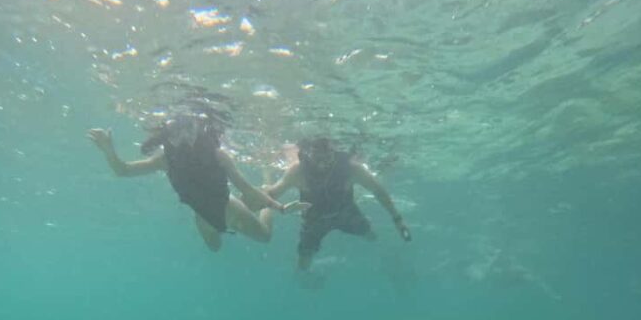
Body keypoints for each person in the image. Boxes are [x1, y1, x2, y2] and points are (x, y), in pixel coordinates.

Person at [88, 115, 307, 252]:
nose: (183, 139)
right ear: (168, 137)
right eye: (176, 134)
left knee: (265, 237)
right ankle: (243, 212)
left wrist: (279, 208)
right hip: (202, 218)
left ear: (197, 133)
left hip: (230, 210)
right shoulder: (165, 159)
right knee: (215, 249)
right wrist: (108, 149)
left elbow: (248, 190)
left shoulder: (217, 155)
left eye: (188, 132)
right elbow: (123, 171)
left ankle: (267, 187)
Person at [263, 137, 411, 271]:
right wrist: (268, 200)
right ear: (308, 155)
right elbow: (272, 194)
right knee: (303, 262)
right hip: (314, 220)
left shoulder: (352, 169)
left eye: (326, 158)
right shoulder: (298, 171)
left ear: (335, 154)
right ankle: (303, 279)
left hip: (346, 213)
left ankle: (391, 258)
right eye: (317, 158)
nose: (321, 164)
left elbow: (378, 191)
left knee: (371, 236)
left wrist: (398, 219)